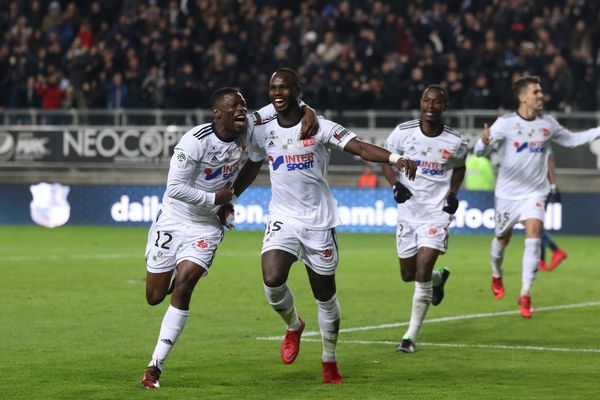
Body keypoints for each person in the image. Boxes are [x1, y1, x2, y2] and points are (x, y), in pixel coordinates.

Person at [228, 68, 417, 384]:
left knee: (325, 297)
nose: (277, 93)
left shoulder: (321, 126)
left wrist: (396, 158)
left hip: (319, 223)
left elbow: (360, 147)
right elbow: (252, 163)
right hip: (283, 218)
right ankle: (293, 324)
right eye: (273, 87)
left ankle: (329, 361)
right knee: (272, 280)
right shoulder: (262, 128)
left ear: (297, 90)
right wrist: (231, 196)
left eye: (284, 88)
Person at [140, 87, 318, 389]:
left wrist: (307, 108)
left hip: (206, 227)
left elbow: (281, 105)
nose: (241, 111)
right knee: (155, 297)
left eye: (244, 105)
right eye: (234, 106)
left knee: (185, 284)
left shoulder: (247, 127)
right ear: (217, 112)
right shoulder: (194, 143)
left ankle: (154, 367)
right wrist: (215, 199)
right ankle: (166, 294)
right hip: (173, 220)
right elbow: (174, 188)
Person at [474, 75, 600, 318]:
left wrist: (598, 130)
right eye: (536, 92)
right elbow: (480, 152)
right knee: (502, 239)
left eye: (541, 91)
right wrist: (483, 141)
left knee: (534, 233)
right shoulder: (506, 123)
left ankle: (525, 292)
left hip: (535, 192)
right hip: (508, 195)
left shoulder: (548, 125)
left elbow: (573, 140)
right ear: (522, 97)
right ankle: (496, 273)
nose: (541, 95)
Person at [380, 85, 468, 353]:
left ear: (445, 107)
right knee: (408, 274)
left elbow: (459, 166)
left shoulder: (455, 141)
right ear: (421, 103)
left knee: (421, 271)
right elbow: (385, 158)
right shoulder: (403, 133)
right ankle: (438, 280)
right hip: (409, 213)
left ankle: (410, 337)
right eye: (427, 101)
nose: (431, 106)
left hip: (436, 214)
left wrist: (453, 193)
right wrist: (395, 184)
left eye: (437, 102)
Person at [539, 150, 567, 272]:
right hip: (534, 189)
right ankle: (541, 262)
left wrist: (553, 184)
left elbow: (549, 162)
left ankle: (556, 251)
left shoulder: (543, 142)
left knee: (535, 227)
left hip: (540, 190)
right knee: (536, 228)